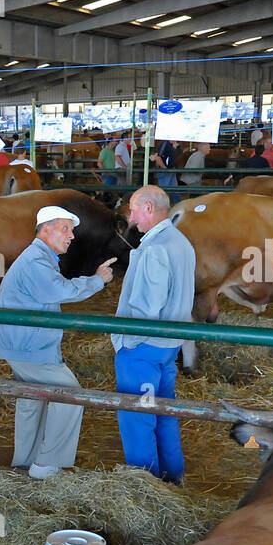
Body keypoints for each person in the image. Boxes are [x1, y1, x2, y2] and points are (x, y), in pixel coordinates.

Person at [0, 205, 117, 479]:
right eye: (65, 229)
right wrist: (97, 281)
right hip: (27, 345)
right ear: (45, 229)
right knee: (71, 394)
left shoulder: (39, 258)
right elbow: (59, 290)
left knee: (31, 398)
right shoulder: (36, 260)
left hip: (21, 342)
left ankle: (25, 461)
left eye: (71, 230)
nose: (71, 236)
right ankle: (46, 465)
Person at [111, 185, 196, 484]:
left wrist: (127, 342)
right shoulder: (181, 242)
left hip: (143, 347)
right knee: (164, 412)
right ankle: (173, 477)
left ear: (148, 208)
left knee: (138, 418)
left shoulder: (155, 248)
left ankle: (144, 487)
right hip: (169, 345)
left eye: (134, 210)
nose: (131, 217)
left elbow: (148, 307)